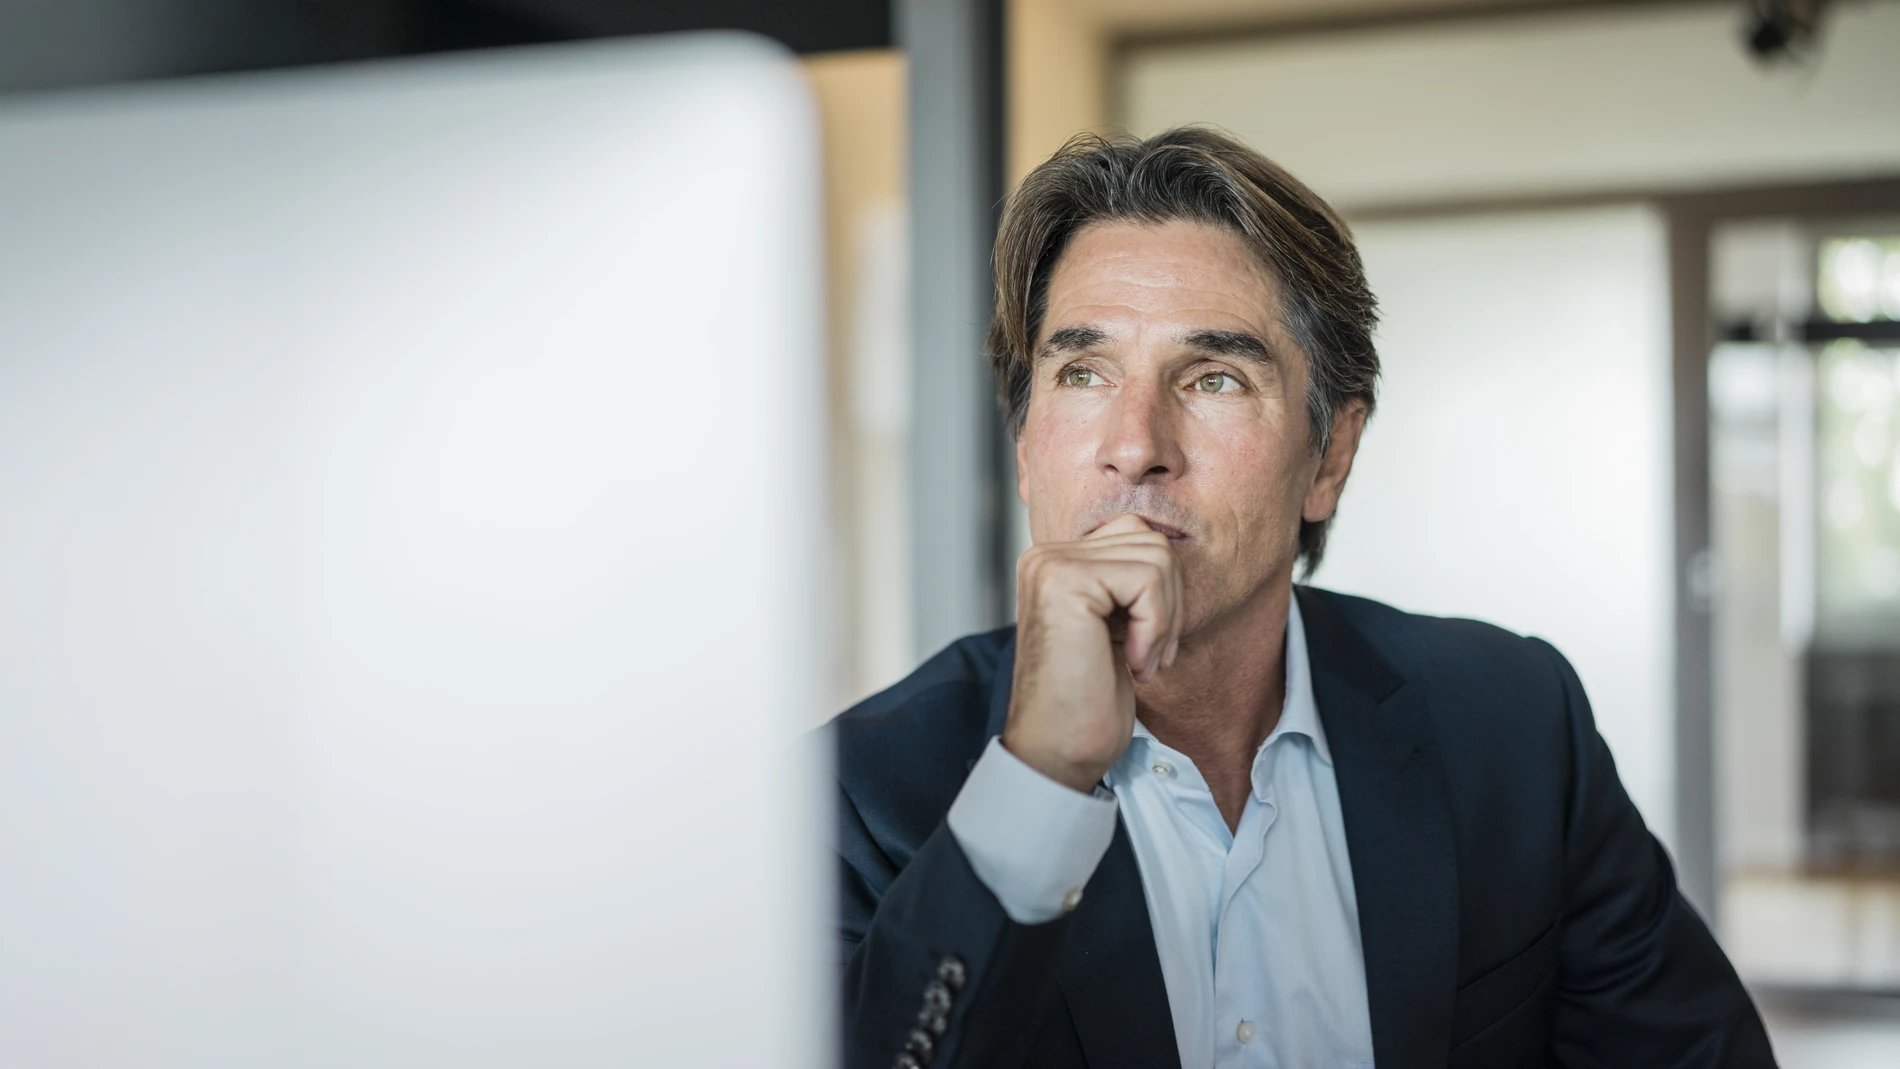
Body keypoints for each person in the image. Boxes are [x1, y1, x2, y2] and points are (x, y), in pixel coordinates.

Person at [827, 127, 1775, 1069]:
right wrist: (1037, 782)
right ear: (1028, 449)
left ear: (1330, 456)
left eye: (1214, 377)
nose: (1136, 442)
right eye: (1082, 372)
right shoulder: (857, 795)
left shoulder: (1516, 724)